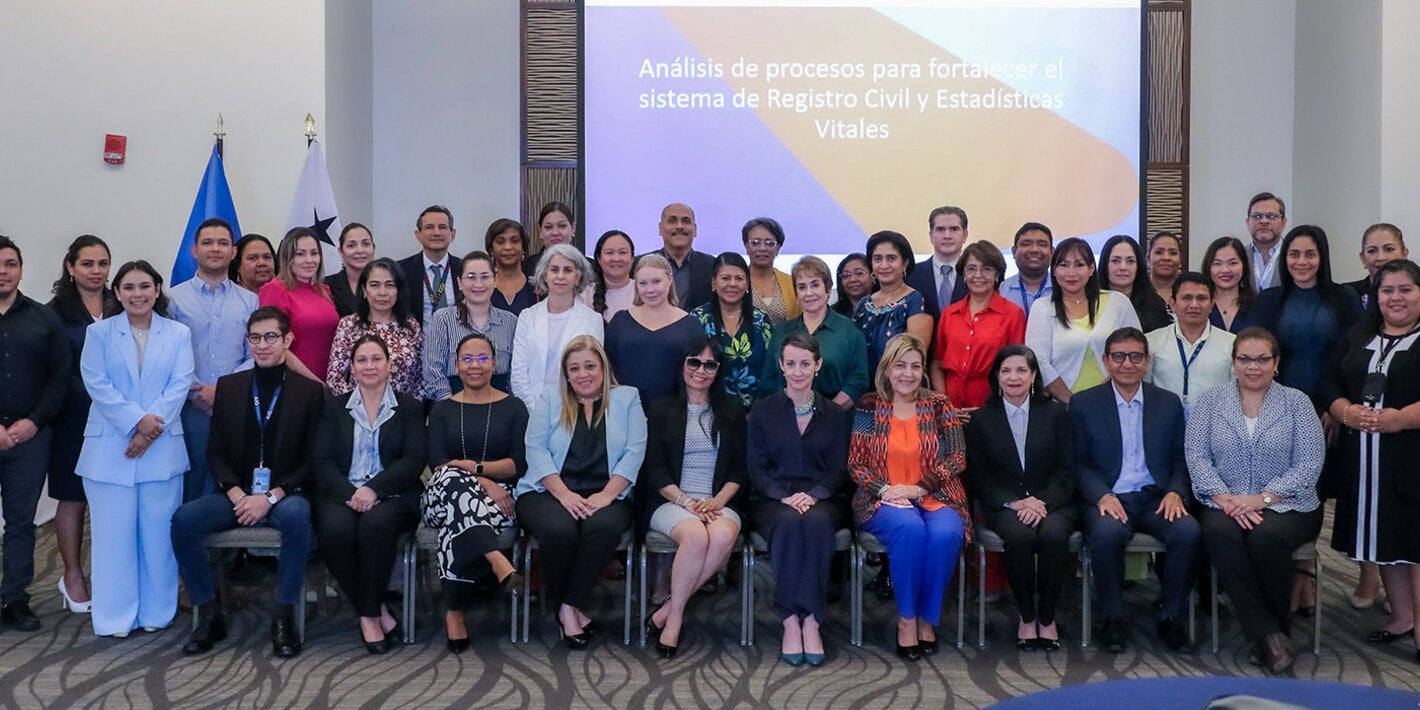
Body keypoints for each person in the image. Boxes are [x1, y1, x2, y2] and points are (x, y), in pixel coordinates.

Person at [171, 307, 324, 658]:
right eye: (254, 338)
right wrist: (238, 493)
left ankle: (283, 617)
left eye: (271, 337)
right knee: (184, 521)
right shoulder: (230, 387)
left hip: (286, 493)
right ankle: (209, 614)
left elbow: (313, 460)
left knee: (299, 519)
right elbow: (216, 452)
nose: (262, 345)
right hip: (235, 492)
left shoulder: (308, 392)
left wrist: (270, 497)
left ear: (288, 340)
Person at [1187, 327, 1324, 674]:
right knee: (1221, 535)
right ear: (1233, 362)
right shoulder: (1211, 400)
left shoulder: (1297, 401)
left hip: (1289, 502)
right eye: (1245, 359)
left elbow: (1309, 463)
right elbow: (1196, 456)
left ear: (1276, 363)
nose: (1253, 366)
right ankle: (1272, 637)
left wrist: (1261, 498)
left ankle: (1263, 636)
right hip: (1223, 500)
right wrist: (1226, 498)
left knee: (1267, 538)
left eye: (1262, 359)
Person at [77, 260, 193, 637]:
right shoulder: (100, 333)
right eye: (128, 287)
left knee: (158, 537)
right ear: (117, 292)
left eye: (145, 286)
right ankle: (115, 618)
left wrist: (149, 429)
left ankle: (156, 613)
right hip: (111, 448)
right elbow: (96, 382)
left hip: (161, 448)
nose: (137, 294)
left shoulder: (178, 333)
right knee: (113, 538)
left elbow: (179, 385)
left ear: (158, 290)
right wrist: (134, 423)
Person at [1071, 327, 1199, 654]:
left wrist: (1176, 492)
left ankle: (1170, 615)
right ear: (1106, 361)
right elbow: (1077, 462)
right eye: (1118, 356)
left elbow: (1179, 457)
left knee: (1188, 531)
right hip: (1108, 497)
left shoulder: (1167, 403)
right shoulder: (1084, 404)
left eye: (1135, 356)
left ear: (1146, 361)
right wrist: (1101, 495)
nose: (1127, 363)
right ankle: (1113, 616)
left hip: (1157, 497)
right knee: (1106, 534)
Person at [516, 335, 646, 649]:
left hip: (608, 492)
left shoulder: (627, 398)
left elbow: (634, 451)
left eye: (589, 365)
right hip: (547, 491)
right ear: (566, 373)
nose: (582, 374)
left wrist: (606, 495)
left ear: (603, 367)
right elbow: (535, 450)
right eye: (574, 368)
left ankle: (565, 606)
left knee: (601, 529)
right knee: (560, 532)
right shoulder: (550, 398)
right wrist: (564, 495)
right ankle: (571, 608)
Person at [848, 333, 970, 661]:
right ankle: (906, 620)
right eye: (900, 365)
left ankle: (927, 619)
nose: (908, 373)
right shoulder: (870, 405)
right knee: (910, 529)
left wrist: (920, 487)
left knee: (945, 534)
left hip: (935, 493)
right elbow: (856, 464)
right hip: (882, 498)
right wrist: (886, 490)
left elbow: (958, 457)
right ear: (887, 369)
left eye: (915, 366)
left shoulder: (939, 403)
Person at [1324, 259, 1420, 662]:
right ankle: (1402, 618)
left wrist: (1401, 419)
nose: (1395, 298)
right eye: (1387, 290)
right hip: (1364, 460)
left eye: (1405, 290)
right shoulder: (1359, 336)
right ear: (1375, 296)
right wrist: (1345, 411)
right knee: (1385, 542)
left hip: (1411, 458)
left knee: (1416, 547)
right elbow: (1330, 382)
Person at [311, 334, 427, 654]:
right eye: (361, 360)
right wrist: (352, 493)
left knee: (375, 525)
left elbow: (414, 460)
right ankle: (372, 610)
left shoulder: (409, 408)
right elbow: (321, 462)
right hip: (342, 493)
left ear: (389, 365)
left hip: (394, 495)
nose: (369, 365)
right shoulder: (333, 407)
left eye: (376, 359)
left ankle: (369, 613)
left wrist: (373, 490)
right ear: (351, 367)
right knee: (334, 530)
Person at [966, 344, 1078, 651]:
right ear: (996, 377)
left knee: (1054, 535)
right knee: (1019, 536)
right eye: (1006, 370)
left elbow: (1067, 470)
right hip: (1006, 504)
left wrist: (1041, 502)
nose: (1013, 377)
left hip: (1053, 502)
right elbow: (979, 476)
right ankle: (1027, 616)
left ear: (1033, 376)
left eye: (1021, 370)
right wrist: (1015, 503)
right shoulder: (981, 420)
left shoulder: (1055, 414)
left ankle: (1047, 616)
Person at [748, 332, 849, 666]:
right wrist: (784, 496)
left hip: (824, 496)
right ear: (781, 365)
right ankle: (791, 618)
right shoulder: (762, 411)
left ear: (818, 365)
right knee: (790, 523)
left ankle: (813, 620)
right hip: (772, 497)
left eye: (805, 363)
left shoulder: (835, 414)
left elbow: (838, 470)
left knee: (818, 524)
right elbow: (757, 469)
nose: (798, 371)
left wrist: (814, 495)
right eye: (790, 363)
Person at [641, 337, 747, 657]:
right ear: (683, 365)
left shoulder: (731, 411)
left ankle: (669, 609)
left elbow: (740, 471)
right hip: (671, 500)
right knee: (696, 537)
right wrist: (687, 503)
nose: (701, 370)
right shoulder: (661, 409)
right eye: (694, 362)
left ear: (718, 370)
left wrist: (717, 502)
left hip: (718, 500)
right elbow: (656, 472)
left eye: (710, 364)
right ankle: (674, 621)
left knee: (723, 534)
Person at [423, 333, 527, 653]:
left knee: (462, 519)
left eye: (482, 358)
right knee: (457, 493)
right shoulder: (441, 411)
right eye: (467, 359)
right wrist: (484, 481)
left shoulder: (514, 407)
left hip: (498, 501)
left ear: (495, 364)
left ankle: (454, 613)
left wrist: (474, 469)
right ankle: (497, 559)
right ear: (456, 366)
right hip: (441, 496)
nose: (475, 366)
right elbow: (439, 466)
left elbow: (518, 464)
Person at [0, 236, 72, 630]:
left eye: (10, 264)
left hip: (30, 436)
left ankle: (14, 598)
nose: (3, 272)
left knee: (21, 522)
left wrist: (34, 421)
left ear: (21, 269)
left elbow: (60, 377)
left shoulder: (44, 318)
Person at [1338, 224, 1407, 609]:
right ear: (1361, 256)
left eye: (1388, 248)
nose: (1379, 256)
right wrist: (1343, 408)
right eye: (1372, 250)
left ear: (1405, 250)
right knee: (1365, 506)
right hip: (1361, 425)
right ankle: (1371, 577)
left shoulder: (1412, 298)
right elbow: (1343, 360)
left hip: (1406, 427)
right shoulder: (1351, 299)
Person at [168, 217, 258, 503]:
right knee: (192, 480)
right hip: (190, 404)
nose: (215, 249)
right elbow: (168, 354)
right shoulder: (172, 300)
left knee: (234, 478)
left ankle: (232, 548)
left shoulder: (250, 301)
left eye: (223, 243)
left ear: (233, 252)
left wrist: (223, 389)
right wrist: (198, 391)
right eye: (208, 243)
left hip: (235, 405)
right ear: (194, 250)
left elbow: (255, 352)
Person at [47, 235, 111, 616]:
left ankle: (108, 573)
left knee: (108, 500)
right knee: (72, 496)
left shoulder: (120, 304)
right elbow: (57, 370)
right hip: (74, 416)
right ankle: (71, 574)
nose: (96, 271)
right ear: (70, 267)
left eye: (103, 263)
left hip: (117, 421)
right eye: (88, 264)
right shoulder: (53, 313)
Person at [1251, 225, 1363, 417]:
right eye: (1294, 254)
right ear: (1285, 258)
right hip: (1278, 405)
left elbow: (1355, 355)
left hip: (1330, 406)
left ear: (1322, 258)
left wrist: (1337, 407)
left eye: (1310, 254)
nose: (1301, 262)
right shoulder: (1268, 300)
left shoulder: (1345, 297)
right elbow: (1258, 354)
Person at [1025, 238, 1141, 404]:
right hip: (1061, 408)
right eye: (1064, 265)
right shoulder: (1042, 307)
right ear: (1054, 271)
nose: (1071, 272)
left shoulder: (1118, 302)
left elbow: (1136, 350)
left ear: (1091, 268)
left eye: (1079, 265)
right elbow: (1039, 361)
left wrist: (1102, 397)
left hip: (1114, 403)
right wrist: (1073, 402)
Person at [929, 241, 1027, 414]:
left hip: (992, 404)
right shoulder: (949, 314)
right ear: (963, 273)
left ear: (997, 273)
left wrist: (994, 406)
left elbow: (1018, 367)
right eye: (971, 268)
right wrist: (944, 403)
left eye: (987, 269)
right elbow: (937, 364)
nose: (978, 275)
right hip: (950, 409)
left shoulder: (1013, 314)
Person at [763, 256, 870, 410]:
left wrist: (826, 415)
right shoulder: (781, 332)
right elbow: (769, 383)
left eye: (815, 285)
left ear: (827, 288)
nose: (808, 293)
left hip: (834, 420)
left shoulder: (850, 331)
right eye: (802, 287)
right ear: (796, 293)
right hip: (786, 420)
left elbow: (857, 382)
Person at [510, 244, 605, 411]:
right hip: (531, 410)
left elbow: (591, 373)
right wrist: (536, 412)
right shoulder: (527, 316)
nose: (560, 276)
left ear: (578, 277)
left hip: (576, 411)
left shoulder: (592, 320)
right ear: (545, 275)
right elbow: (518, 373)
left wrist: (570, 412)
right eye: (554, 270)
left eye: (568, 270)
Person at [605, 253, 702, 408]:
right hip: (625, 410)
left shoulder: (691, 325)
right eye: (643, 283)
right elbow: (607, 368)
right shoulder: (620, 321)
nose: (650, 289)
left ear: (669, 279)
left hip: (673, 414)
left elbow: (697, 373)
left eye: (656, 282)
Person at [423, 250, 517, 399]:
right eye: (471, 277)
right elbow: (432, 372)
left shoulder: (510, 321)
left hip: (500, 404)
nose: (478, 284)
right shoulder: (443, 319)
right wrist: (452, 406)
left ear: (495, 280)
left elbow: (515, 373)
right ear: (460, 282)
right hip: (452, 402)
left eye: (485, 277)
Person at [326, 257, 423, 398]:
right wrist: (359, 408)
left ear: (398, 290)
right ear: (364, 290)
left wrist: (410, 408)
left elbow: (420, 378)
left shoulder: (411, 326)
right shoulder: (349, 325)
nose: (382, 293)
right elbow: (335, 378)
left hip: (404, 413)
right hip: (358, 413)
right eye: (375, 285)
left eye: (390, 285)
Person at [1145, 273, 1236, 418]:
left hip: (1216, 427)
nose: (1194, 305)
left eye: (1201, 298)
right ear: (1172, 304)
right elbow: (1144, 389)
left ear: (1212, 305)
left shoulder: (1232, 344)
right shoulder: (1152, 341)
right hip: (1165, 426)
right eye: (1186, 298)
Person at [690, 252, 773, 406]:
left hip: (755, 412)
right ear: (713, 283)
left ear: (747, 284)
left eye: (739, 279)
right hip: (708, 410)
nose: (733, 284)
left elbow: (770, 370)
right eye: (726, 278)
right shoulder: (697, 319)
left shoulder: (761, 320)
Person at [259, 227, 339, 384]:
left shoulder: (323, 290)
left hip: (330, 385)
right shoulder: (276, 290)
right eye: (300, 254)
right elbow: (276, 346)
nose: (309, 260)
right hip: (296, 383)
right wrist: (315, 383)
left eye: (314, 253)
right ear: (287, 257)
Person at [855, 230, 934, 370]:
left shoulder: (916, 301)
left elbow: (915, 358)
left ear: (905, 263)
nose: (884, 265)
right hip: (861, 386)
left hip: (900, 385)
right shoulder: (864, 304)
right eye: (877, 259)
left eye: (891, 258)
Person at [398, 205, 464, 329]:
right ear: (418, 235)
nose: (436, 233)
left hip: (458, 345)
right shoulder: (401, 270)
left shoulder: (465, 269)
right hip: (417, 345)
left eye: (442, 227)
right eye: (429, 227)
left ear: (452, 234)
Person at [906, 206, 970, 318]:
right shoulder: (911, 274)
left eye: (954, 229)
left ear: (964, 235)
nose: (947, 236)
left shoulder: (977, 275)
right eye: (940, 229)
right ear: (931, 236)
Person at [1099, 234, 1172, 333]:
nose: (1123, 267)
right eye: (1115, 261)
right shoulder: (1091, 302)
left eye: (1130, 261)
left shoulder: (1155, 305)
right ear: (1105, 264)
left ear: (1139, 266)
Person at [654, 203, 715, 312]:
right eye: (672, 221)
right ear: (660, 228)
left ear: (695, 229)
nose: (679, 226)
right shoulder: (641, 265)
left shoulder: (712, 265)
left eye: (686, 221)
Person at [743, 217, 800, 325]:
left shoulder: (792, 283)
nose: (762, 248)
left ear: (778, 248)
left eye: (769, 243)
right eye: (755, 243)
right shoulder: (736, 281)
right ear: (746, 246)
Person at [1344, 223, 1408, 310]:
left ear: (1404, 254)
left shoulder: (1416, 292)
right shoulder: (1346, 295)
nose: (1380, 258)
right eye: (1372, 251)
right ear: (1363, 258)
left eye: (1389, 249)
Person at [1201, 236, 1257, 332]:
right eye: (1217, 264)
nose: (1225, 270)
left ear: (1244, 266)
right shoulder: (1199, 304)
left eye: (1233, 263)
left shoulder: (1258, 304)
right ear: (1208, 267)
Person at [1001, 222, 1054, 317]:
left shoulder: (1063, 290)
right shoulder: (1000, 290)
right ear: (1013, 251)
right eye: (1026, 244)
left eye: (1042, 245)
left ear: (1052, 252)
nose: (1034, 250)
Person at [487, 218, 538, 316]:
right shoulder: (483, 287)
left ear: (523, 248)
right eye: (500, 242)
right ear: (491, 249)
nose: (508, 247)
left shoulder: (537, 288)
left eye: (514, 241)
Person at [325, 223, 376, 317]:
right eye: (351, 245)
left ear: (374, 248)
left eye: (366, 244)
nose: (360, 250)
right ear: (341, 252)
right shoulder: (326, 286)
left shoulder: (389, 283)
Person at [1245, 192, 1288, 291]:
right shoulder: (1239, 256)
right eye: (1257, 216)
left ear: (1284, 222)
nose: (1264, 221)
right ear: (1248, 222)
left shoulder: (1294, 256)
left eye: (1271, 216)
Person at [522, 201, 577, 278]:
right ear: (540, 230)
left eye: (562, 226)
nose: (555, 233)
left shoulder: (590, 266)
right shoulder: (525, 267)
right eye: (548, 227)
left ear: (573, 228)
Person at [592, 229, 636, 322]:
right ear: (599, 259)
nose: (616, 258)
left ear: (632, 258)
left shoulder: (644, 291)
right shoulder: (585, 295)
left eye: (623, 252)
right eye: (609, 253)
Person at [1147, 231, 1184, 305]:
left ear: (1180, 260)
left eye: (1173, 253)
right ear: (1148, 259)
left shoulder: (1187, 293)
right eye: (1159, 252)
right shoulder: (1135, 291)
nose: (1166, 258)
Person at [832, 253, 872, 318]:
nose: (852, 279)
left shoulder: (886, 309)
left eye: (859, 273)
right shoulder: (831, 314)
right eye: (846, 275)